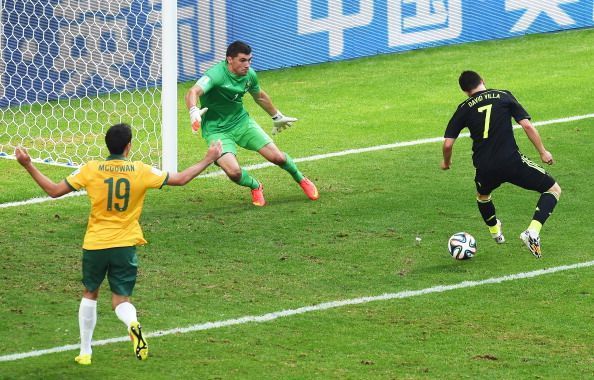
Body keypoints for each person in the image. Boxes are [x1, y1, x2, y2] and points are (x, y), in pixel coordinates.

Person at [15, 123, 222, 365]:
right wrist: (208, 158)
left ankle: (85, 352)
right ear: (128, 146)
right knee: (121, 299)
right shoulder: (140, 170)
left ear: (107, 145)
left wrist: (28, 164)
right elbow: (181, 179)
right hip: (125, 245)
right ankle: (132, 323)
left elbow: (53, 190)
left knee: (90, 293)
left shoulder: (91, 169)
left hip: (95, 244)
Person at [441, 71, 561, 258]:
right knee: (553, 190)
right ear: (482, 81)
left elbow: (448, 143)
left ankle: (495, 232)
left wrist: (446, 162)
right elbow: (527, 126)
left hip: (485, 167)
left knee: (483, 196)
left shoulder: (463, 107)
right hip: (512, 162)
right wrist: (543, 152)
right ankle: (533, 232)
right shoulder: (503, 95)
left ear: (465, 91)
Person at [185, 40, 319, 206]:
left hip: (242, 123)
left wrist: (277, 116)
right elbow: (193, 91)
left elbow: (260, 96)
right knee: (233, 172)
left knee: (277, 157)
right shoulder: (215, 75)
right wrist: (193, 110)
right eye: (242, 60)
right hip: (216, 130)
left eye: (250, 60)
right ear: (229, 59)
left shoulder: (249, 75)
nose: (247, 65)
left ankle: (301, 179)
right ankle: (255, 186)